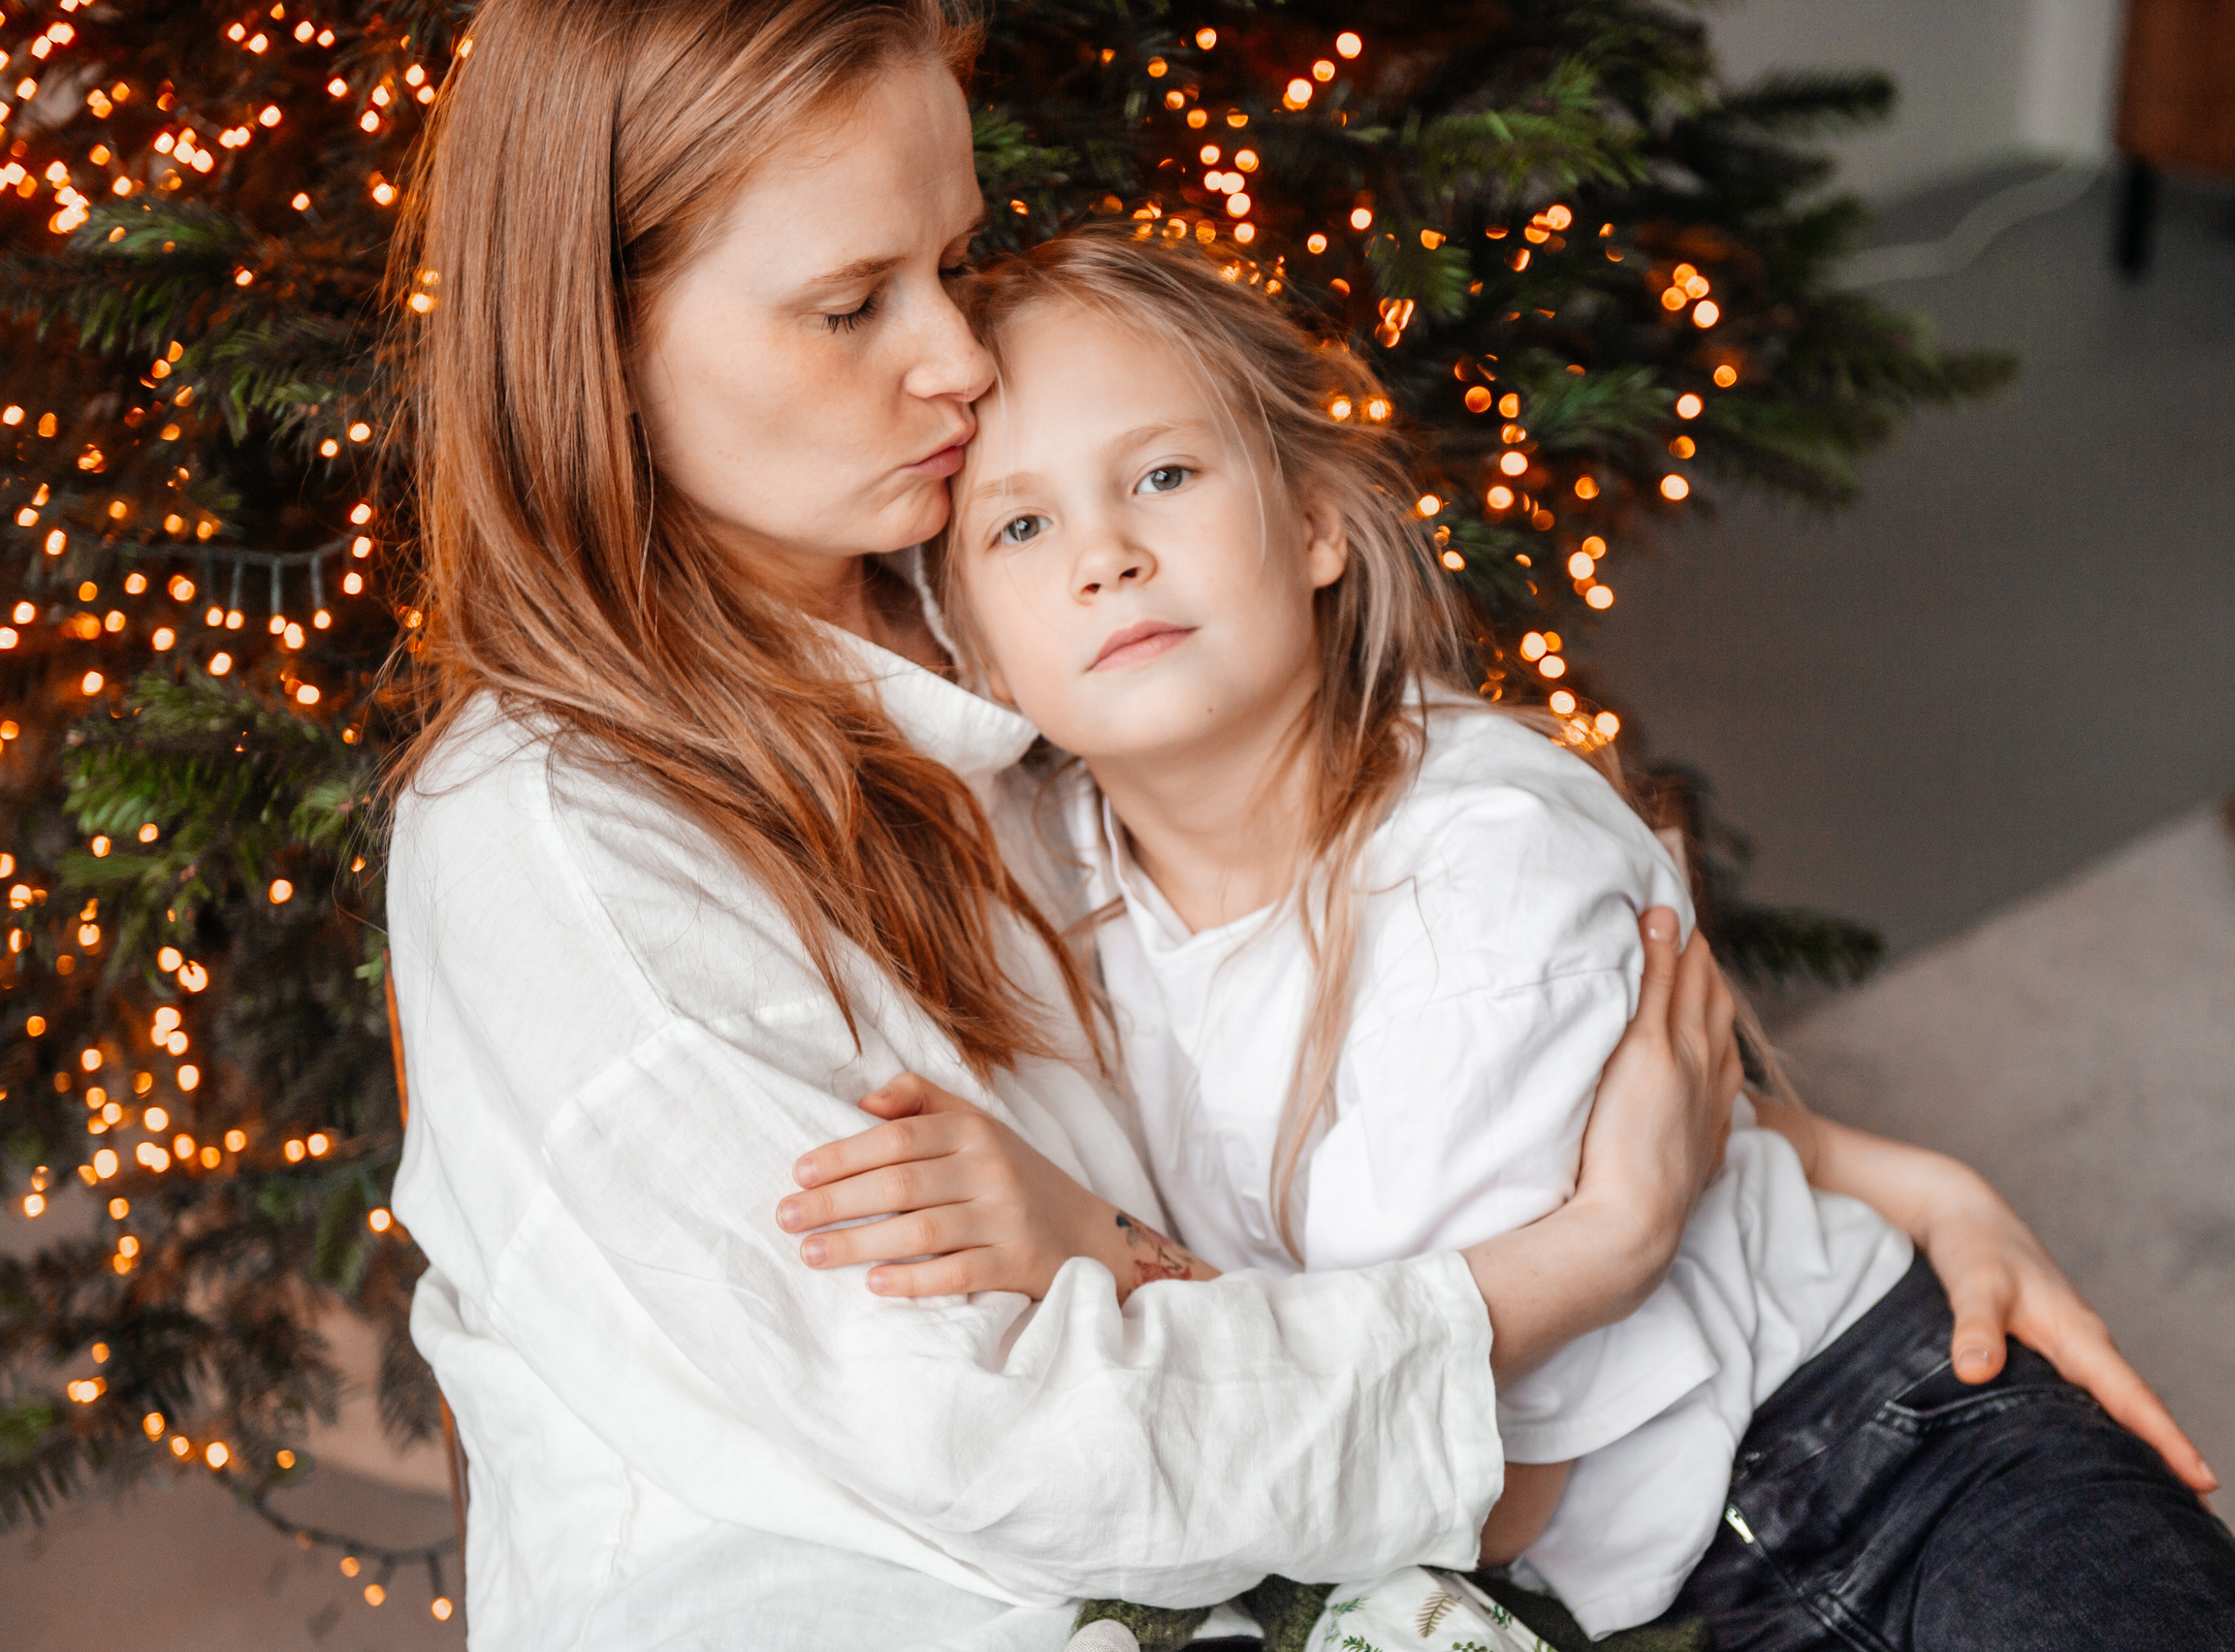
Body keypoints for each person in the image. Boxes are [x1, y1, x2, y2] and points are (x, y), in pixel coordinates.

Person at [387, 3, 2208, 1647]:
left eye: (951, 262)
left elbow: (1481, 1039)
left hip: (1744, 1468)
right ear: (598, 343)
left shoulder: (990, 633)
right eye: (852, 303)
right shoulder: (566, 848)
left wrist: (1872, 1174)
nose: (956, 362)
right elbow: (1031, 1440)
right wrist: (1586, 1259)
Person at [805, 227, 2235, 1649]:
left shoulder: (1486, 876)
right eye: (1020, 527)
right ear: (976, 657)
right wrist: (1915, 1174)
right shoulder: (1048, 872)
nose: (1106, 557)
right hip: (1646, 1599)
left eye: (1164, 475)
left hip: (1890, 1457)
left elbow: (1466, 1486)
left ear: (1315, 523)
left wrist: (1095, 1244)